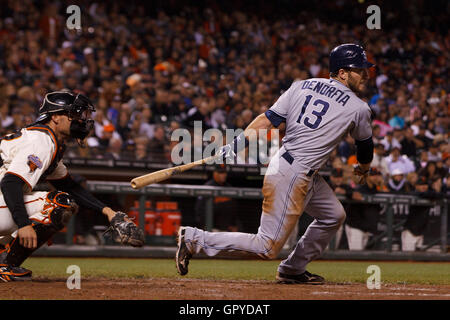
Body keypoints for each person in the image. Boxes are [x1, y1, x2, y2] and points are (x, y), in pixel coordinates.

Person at [176, 43, 375, 284]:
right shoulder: (359, 107)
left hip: (291, 165)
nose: (366, 74)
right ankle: (195, 239)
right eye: (360, 69)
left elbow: (266, 120)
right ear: (342, 72)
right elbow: (364, 147)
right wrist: (363, 170)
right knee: (267, 246)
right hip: (294, 173)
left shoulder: (301, 85)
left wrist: (235, 145)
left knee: (333, 215)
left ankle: (292, 269)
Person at [0, 91, 144, 282]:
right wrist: (24, 224)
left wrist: (108, 211)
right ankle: (6, 265)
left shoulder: (48, 141)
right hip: (3, 197)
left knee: (65, 198)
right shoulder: (41, 141)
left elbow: (70, 186)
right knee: (59, 204)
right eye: (74, 114)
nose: (81, 120)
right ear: (56, 117)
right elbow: (10, 183)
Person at [194, 165, 238, 232]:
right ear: (214, 173)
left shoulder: (229, 188)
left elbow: (233, 209)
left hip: (226, 229)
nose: (223, 175)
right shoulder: (207, 187)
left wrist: (233, 224)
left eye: (224, 173)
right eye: (220, 173)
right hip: (211, 228)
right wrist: (203, 226)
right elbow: (199, 209)